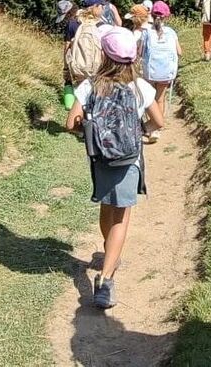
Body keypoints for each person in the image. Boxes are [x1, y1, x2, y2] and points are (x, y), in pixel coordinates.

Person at [65, 28, 165, 310]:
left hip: (101, 160)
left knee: (106, 209)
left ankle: (110, 253)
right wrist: (139, 131)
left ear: (104, 55)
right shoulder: (140, 87)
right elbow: (159, 122)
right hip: (129, 160)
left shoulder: (91, 86)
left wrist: (90, 131)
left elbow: (70, 122)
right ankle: (106, 279)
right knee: (121, 217)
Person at [138, 0, 182, 142]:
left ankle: (151, 127)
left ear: (151, 14)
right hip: (166, 71)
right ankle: (156, 128)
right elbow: (179, 52)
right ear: (167, 16)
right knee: (160, 99)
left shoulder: (146, 33)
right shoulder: (171, 32)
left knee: (149, 99)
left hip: (149, 71)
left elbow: (140, 52)